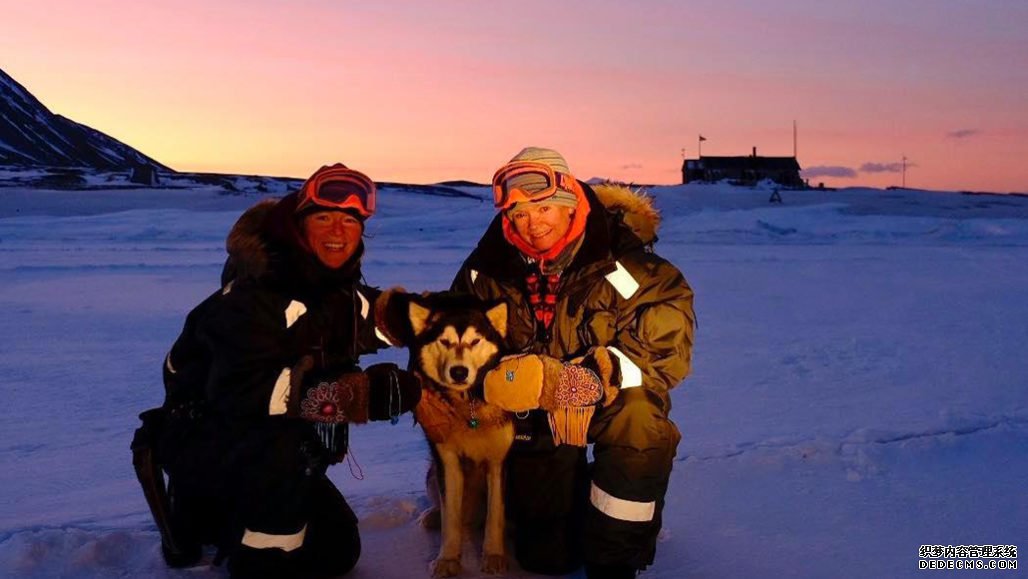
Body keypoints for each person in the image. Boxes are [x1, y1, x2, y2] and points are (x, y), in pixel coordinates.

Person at [133, 163, 421, 579]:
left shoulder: (331, 286)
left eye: (349, 220)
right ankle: (232, 541)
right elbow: (243, 392)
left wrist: (431, 318)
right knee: (281, 459)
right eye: (323, 218)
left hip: (272, 448)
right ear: (298, 225)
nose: (338, 231)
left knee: (337, 548)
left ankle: (225, 520)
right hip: (214, 439)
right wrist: (352, 394)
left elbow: (371, 317)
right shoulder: (252, 295)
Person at [452, 148, 695, 579]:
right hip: (532, 415)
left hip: (603, 404)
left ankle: (615, 562)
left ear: (572, 203)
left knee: (640, 419)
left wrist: (598, 375)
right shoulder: (485, 270)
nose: (533, 223)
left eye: (543, 207)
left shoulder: (634, 266)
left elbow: (665, 350)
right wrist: (496, 378)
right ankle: (549, 500)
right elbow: (457, 342)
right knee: (546, 559)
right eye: (520, 213)